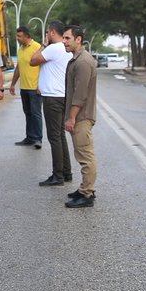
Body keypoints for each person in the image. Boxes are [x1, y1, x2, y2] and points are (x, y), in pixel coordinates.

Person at [30, 20, 72, 187]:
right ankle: (66, 171)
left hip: (52, 98)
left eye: (48, 32)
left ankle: (58, 175)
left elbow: (33, 61)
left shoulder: (53, 48)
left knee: (54, 137)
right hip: (63, 95)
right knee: (60, 135)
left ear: (52, 32)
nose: (46, 34)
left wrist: (43, 45)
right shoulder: (67, 48)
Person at [61, 25, 98, 207]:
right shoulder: (77, 59)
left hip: (81, 116)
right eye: (64, 38)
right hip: (79, 115)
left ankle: (87, 194)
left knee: (85, 155)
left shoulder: (83, 62)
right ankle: (85, 188)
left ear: (78, 39)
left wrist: (71, 117)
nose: (64, 42)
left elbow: (80, 94)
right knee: (82, 153)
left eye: (67, 38)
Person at [8, 26, 43, 149]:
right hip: (24, 87)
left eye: (19, 36)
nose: (17, 38)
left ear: (27, 36)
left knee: (36, 113)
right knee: (28, 113)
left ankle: (38, 138)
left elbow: (43, 67)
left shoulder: (37, 47)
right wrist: (13, 84)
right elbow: (19, 68)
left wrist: (41, 84)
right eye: (17, 36)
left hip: (35, 88)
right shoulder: (21, 49)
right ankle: (30, 137)